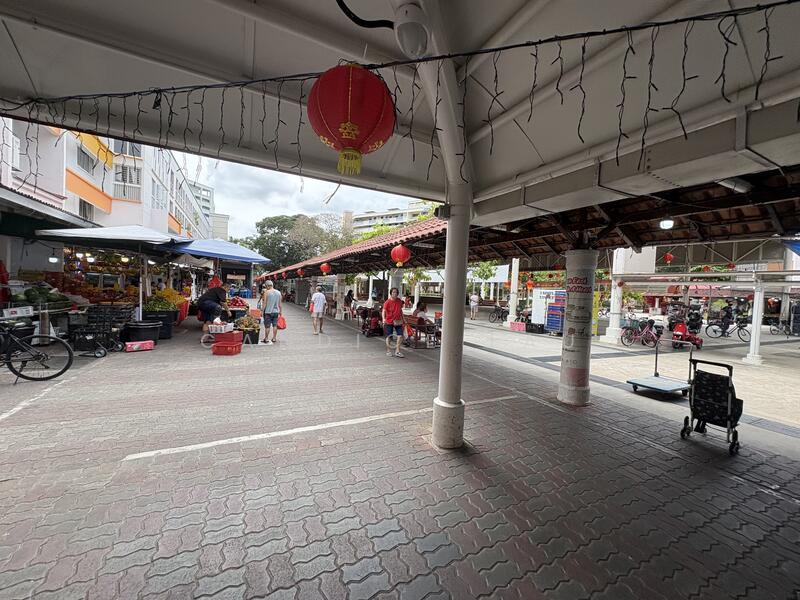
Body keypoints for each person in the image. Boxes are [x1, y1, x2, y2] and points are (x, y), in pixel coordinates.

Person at [383, 287, 405, 358]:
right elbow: (384, 311)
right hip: (389, 321)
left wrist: (403, 319)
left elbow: (400, 310)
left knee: (400, 335)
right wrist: (383, 319)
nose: (395, 293)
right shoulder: (387, 302)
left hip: (398, 321)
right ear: (391, 293)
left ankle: (397, 351)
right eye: (393, 292)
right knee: (389, 336)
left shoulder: (399, 301)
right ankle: (388, 350)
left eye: (396, 292)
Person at [260, 280, 282, 344]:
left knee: (267, 326)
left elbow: (264, 303)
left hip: (268, 312)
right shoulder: (278, 292)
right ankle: (274, 338)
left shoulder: (266, 292)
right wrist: (281, 312)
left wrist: (262, 311)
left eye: (266, 286)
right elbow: (280, 304)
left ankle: (266, 338)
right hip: (276, 312)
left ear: (267, 286)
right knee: (275, 325)